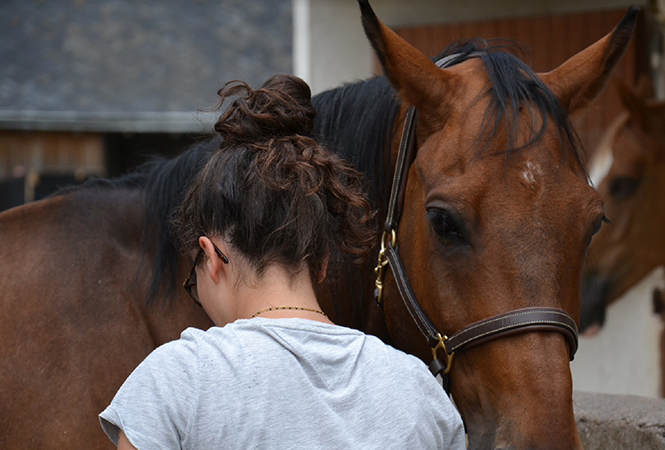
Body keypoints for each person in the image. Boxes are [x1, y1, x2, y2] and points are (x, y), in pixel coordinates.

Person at [99, 74, 465, 449]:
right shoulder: (419, 393)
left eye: (193, 284)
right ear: (322, 262)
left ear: (211, 259)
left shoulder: (175, 381)